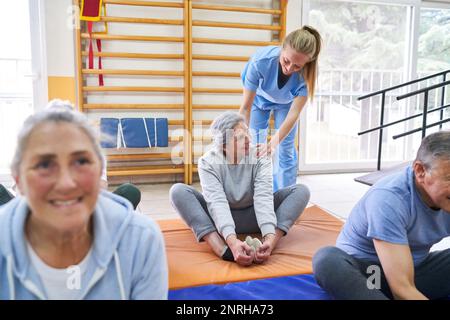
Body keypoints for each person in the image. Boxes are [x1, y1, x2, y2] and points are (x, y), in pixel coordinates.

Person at [0, 100, 168, 299]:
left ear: (99, 170)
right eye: (44, 165)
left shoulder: (140, 239)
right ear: (18, 179)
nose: (66, 183)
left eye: (81, 161)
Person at [313, 131, 450, 300]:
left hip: (415, 273)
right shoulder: (389, 198)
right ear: (420, 171)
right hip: (370, 278)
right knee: (327, 259)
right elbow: (402, 289)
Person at [169, 112, 310, 266]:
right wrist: (232, 242)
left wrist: (269, 237)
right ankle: (221, 249)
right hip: (218, 220)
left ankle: (270, 244)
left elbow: (263, 197)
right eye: (241, 137)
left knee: (301, 191)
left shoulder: (260, 155)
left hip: (253, 215)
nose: (249, 140)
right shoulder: (208, 162)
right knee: (177, 191)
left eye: (248, 133)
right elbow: (217, 202)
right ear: (224, 145)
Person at [240, 26, 322, 192]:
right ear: (282, 49)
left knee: (285, 148)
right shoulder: (260, 62)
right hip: (259, 100)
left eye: (297, 66)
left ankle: (284, 196)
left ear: (307, 63)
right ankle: (258, 193)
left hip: (286, 104)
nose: (289, 68)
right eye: (286, 61)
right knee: (256, 144)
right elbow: (245, 108)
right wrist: (240, 136)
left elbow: (294, 114)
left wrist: (273, 144)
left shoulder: (307, 76)